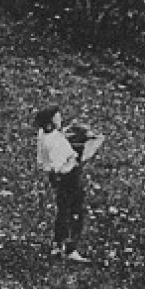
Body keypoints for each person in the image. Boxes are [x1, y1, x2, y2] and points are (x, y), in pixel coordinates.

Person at [35, 105, 102, 262]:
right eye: (57, 118)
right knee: (74, 211)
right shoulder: (54, 143)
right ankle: (71, 248)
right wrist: (77, 159)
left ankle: (58, 245)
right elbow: (62, 167)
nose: (60, 120)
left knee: (62, 210)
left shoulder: (44, 135)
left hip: (56, 178)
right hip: (68, 178)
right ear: (50, 121)